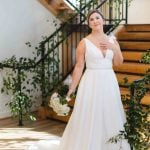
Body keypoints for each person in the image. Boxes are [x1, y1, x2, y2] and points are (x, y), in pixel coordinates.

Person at [27, 9, 131, 150]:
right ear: (89, 24)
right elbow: (79, 67)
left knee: (110, 112)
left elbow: (118, 62)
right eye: (91, 19)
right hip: (91, 81)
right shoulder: (84, 42)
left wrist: (114, 48)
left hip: (109, 80)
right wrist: (72, 88)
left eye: (97, 18)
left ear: (103, 20)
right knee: (89, 114)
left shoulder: (112, 40)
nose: (95, 21)